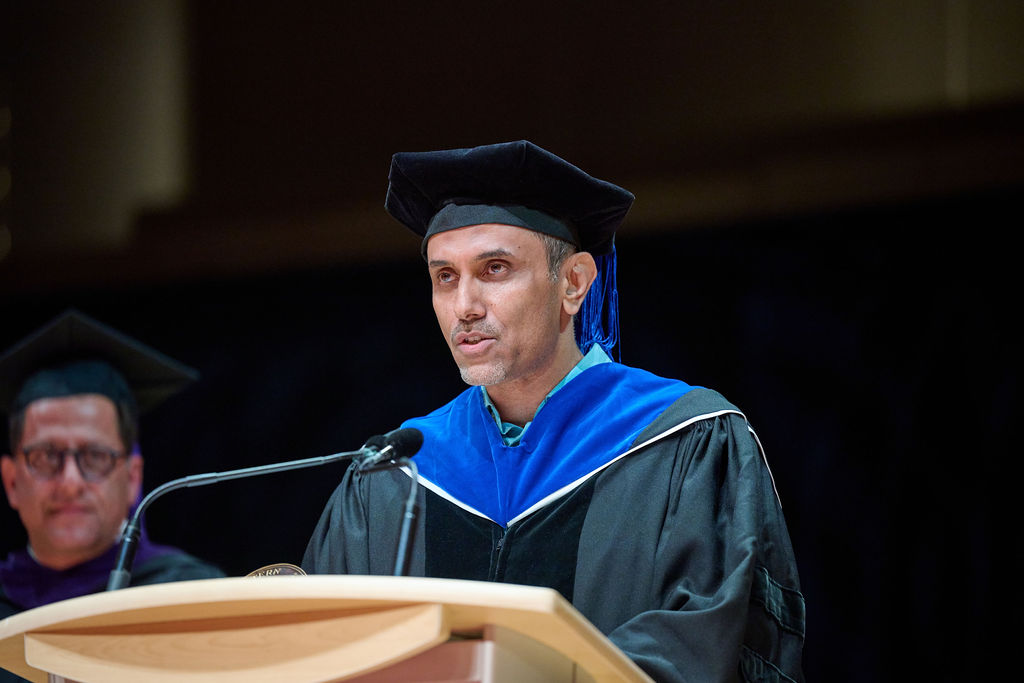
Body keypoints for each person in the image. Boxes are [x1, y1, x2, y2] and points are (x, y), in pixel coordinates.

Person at [303, 140, 805, 682]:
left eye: (494, 269)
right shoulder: (395, 475)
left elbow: (710, 647)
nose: (465, 306)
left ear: (572, 284)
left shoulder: (686, 441)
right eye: (445, 276)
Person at [0, 309, 224, 622]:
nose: (70, 482)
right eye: (46, 456)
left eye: (95, 457)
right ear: (11, 482)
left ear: (133, 479)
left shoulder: (194, 597)